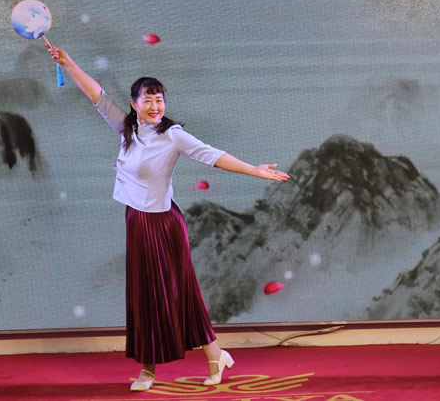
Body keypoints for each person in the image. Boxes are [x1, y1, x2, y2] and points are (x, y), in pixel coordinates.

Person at [46, 42, 290, 392]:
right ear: (134, 104)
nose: (155, 106)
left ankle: (197, 359)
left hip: (163, 225)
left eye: (159, 99)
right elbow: (96, 94)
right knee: (144, 297)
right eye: (147, 99)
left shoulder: (172, 136)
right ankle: (170, 365)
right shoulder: (127, 129)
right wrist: (68, 62)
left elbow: (212, 155)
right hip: (137, 222)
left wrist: (254, 169)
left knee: (179, 294)